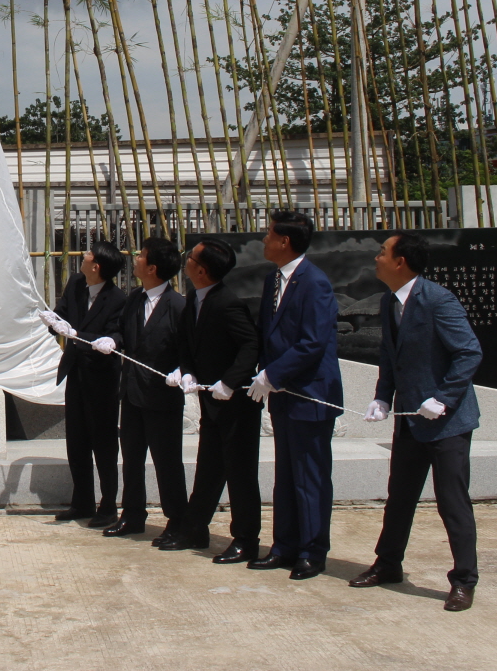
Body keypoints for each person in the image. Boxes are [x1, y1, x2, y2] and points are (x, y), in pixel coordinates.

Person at [351, 231, 483, 612]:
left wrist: (443, 399)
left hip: (447, 425)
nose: (376, 258)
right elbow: (390, 356)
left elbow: (469, 353)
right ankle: (388, 564)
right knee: (400, 497)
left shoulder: (438, 300)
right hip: (410, 422)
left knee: (452, 502)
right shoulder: (389, 300)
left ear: (400, 262)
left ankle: (463, 580)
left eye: (382, 252)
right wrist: (381, 395)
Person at [246, 210, 343, 580]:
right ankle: (284, 545)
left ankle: (312, 550)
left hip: (310, 394)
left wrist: (271, 374)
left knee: (310, 477)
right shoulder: (275, 279)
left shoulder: (314, 282)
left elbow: (312, 343)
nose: (264, 240)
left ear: (285, 241)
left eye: (269, 234)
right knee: (286, 476)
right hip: (283, 394)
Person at [158, 237, 262, 562]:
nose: (185, 260)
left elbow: (251, 346)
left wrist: (230, 383)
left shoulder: (228, 303)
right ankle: (195, 528)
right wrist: (186, 371)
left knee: (240, 474)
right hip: (211, 403)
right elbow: (187, 343)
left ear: (200, 270)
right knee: (209, 468)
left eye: (191, 257)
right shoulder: (194, 298)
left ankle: (246, 539)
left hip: (237, 405)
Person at [102, 236, 188, 545]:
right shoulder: (134, 299)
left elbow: (187, 349)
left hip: (162, 398)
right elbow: (121, 331)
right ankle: (133, 515)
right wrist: (112, 340)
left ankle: (178, 520)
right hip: (132, 394)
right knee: (132, 459)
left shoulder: (178, 305)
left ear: (152, 267)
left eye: (141, 256)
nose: (135, 258)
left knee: (167, 462)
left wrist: (183, 370)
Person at [41, 241, 128, 528]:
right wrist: (52, 320)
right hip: (76, 373)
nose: (84, 255)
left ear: (97, 266)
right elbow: (62, 313)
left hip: (101, 378)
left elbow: (117, 336)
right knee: (76, 440)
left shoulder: (117, 299)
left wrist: (89, 336)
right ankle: (82, 502)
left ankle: (108, 505)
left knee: (102, 443)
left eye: (89, 253)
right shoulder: (77, 283)